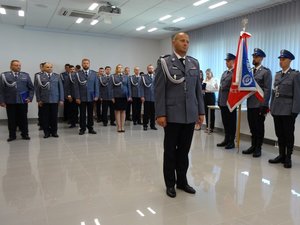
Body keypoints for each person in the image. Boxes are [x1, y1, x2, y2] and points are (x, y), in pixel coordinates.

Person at [155, 32, 205, 198]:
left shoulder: (194, 63)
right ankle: (170, 184)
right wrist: (161, 113)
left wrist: (201, 111)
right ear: (173, 42)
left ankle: (182, 182)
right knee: (170, 151)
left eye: (188, 41)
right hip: (172, 115)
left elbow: (198, 89)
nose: (186, 43)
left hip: (190, 114)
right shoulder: (164, 62)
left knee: (184, 151)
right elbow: (159, 90)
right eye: (182, 40)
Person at [268, 50, 300, 168]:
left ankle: (288, 157)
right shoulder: (277, 75)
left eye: (283, 59)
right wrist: (271, 107)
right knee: (279, 133)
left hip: (288, 110)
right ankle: (281, 155)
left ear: (290, 61)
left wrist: (295, 111)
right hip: (277, 108)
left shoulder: (295, 75)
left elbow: (297, 94)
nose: (281, 62)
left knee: (288, 134)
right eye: (280, 59)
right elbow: (273, 92)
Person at [242, 48, 272, 157]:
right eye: (253, 56)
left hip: (259, 104)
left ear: (261, 58)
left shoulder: (266, 72)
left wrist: (264, 105)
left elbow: (267, 89)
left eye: (256, 57)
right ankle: (253, 145)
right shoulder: (250, 72)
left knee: (259, 127)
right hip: (250, 103)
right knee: (252, 126)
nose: (254, 58)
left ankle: (258, 147)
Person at [0, 60, 34, 142]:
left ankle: (25, 134)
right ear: (11, 66)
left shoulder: (25, 75)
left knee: (23, 118)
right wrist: (1, 101)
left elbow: (31, 88)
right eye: (16, 65)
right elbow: (1, 90)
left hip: (22, 101)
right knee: (11, 119)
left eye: (19, 65)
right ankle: (12, 135)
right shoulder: (4, 75)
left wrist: (29, 98)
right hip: (10, 101)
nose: (18, 67)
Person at [35, 63, 64, 138]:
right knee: (45, 117)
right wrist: (39, 100)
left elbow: (61, 88)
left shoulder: (57, 76)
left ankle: (54, 132)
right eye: (47, 67)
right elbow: (37, 90)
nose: (49, 68)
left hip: (55, 99)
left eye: (51, 67)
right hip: (44, 100)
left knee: (54, 117)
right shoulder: (39, 77)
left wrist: (61, 99)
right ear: (43, 68)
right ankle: (46, 132)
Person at [74, 58, 99, 135]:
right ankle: (82, 128)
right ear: (82, 64)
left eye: (87, 63)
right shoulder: (77, 74)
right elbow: (76, 87)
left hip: (91, 97)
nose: (86, 64)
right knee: (82, 114)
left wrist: (96, 95)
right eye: (84, 63)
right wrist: (77, 97)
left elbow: (96, 86)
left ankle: (90, 128)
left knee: (91, 114)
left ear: (89, 64)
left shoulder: (94, 74)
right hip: (82, 97)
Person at [217, 53, 237, 150]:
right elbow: (221, 88)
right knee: (225, 122)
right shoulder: (225, 73)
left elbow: (235, 89)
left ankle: (231, 141)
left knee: (231, 122)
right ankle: (226, 139)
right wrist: (219, 100)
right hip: (223, 101)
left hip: (230, 102)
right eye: (226, 61)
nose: (226, 62)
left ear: (233, 61)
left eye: (228, 61)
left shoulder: (235, 74)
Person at [111, 64, 132, 132]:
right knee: (117, 111)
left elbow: (129, 87)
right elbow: (111, 87)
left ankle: (122, 126)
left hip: (124, 96)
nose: (120, 69)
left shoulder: (126, 77)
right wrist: (112, 97)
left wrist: (129, 96)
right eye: (118, 68)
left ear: (123, 69)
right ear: (116, 69)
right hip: (116, 96)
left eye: (121, 68)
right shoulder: (113, 76)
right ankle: (118, 127)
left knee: (123, 111)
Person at [141, 64, 157, 131]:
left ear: (153, 69)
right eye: (149, 68)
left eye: (152, 68)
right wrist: (142, 96)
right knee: (146, 113)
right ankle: (145, 125)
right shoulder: (144, 77)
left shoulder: (156, 77)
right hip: (146, 97)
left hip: (154, 98)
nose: (150, 69)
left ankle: (152, 125)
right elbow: (141, 87)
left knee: (153, 113)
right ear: (147, 69)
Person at [34, 62, 46, 130]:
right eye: (41, 67)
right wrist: (38, 99)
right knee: (41, 112)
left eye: (43, 67)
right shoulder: (37, 75)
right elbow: (36, 86)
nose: (42, 68)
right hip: (41, 97)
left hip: (48, 97)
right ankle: (41, 124)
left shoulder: (51, 75)